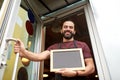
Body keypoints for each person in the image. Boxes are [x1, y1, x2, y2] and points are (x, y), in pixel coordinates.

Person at [14, 20, 95, 80]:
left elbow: (91, 67)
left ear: (74, 31)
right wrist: (24, 51)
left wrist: (76, 73)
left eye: (71, 27)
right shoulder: (54, 47)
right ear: (61, 30)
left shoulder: (82, 45)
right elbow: (38, 57)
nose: (68, 29)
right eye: (65, 27)